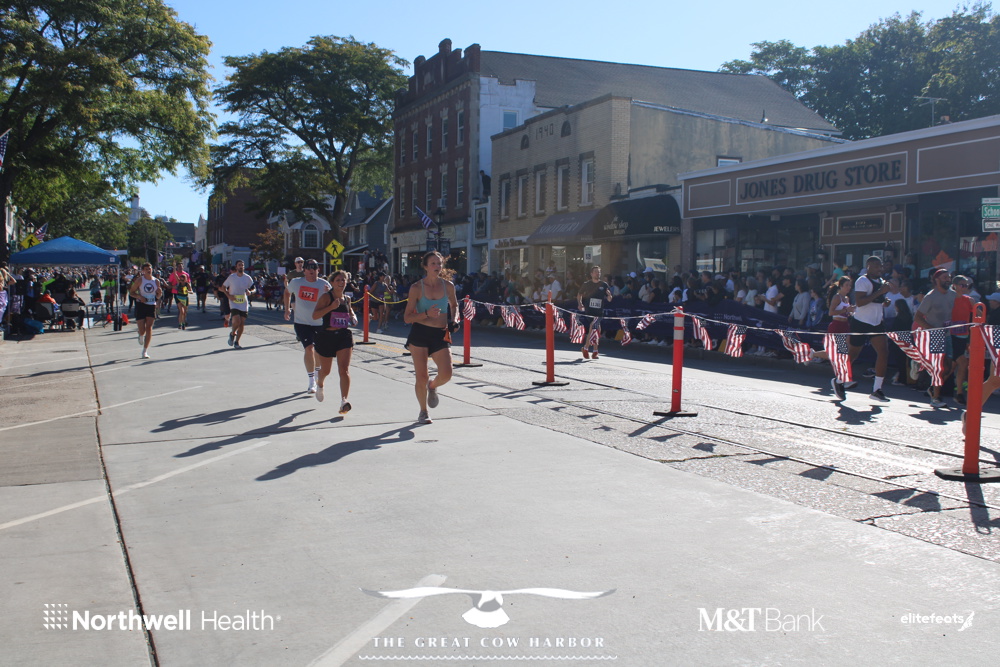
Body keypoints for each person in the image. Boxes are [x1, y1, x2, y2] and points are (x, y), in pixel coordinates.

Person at [404, 251, 459, 424]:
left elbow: (454, 305)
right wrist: (426, 313)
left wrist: (454, 319)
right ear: (426, 266)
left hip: (440, 333)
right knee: (421, 376)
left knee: (447, 373)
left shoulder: (448, 286)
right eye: (433, 263)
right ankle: (423, 411)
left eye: (439, 263)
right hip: (420, 333)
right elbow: (407, 317)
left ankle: (432, 386)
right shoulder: (416, 288)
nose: (437, 266)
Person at [831, 256, 891, 402]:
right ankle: (839, 380)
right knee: (853, 354)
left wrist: (884, 302)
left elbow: (877, 300)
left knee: (883, 352)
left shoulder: (881, 281)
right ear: (868, 266)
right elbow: (860, 302)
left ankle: (877, 390)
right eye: (876, 266)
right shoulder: (862, 281)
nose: (879, 269)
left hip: (876, 322)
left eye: (880, 266)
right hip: (861, 322)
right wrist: (880, 292)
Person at [311, 270, 357, 414]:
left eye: (343, 280)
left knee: (344, 369)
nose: (341, 282)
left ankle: (344, 401)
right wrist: (331, 307)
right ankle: (320, 383)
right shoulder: (326, 297)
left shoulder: (347, 299)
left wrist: (353, 317)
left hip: (343, 336)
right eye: (338, 280)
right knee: (326, 370)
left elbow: (350, 311)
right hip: (327, 336)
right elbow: (315, 315)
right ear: (332, 282)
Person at [284, 259, 331, 394]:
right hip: (302, 323)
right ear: (304, 270)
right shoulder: (296, 282)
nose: (311, 270)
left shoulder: (324, 284)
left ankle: (317, 373)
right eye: (309, 268)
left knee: (318, 351)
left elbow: (334, 299)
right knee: (309, 349)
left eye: (314, 268)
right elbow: (287, 292)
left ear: (318, 270)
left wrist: (329, 293)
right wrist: (287, 309)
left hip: (319, 323)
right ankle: (311, 381)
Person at [913, 268, 957, 408]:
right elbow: (918, 317)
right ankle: (936, 398)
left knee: (949, 366)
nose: (948, 280)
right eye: (945, 277)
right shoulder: (930, 297)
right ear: (937, 280)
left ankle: (933, 388)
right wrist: (932, 329)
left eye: (949, 277)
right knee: (939, 367)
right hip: (934, 335)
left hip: (948, 334)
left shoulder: (953, 294)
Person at [949, 274, 975, 406]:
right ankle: (958, 393)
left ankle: (935, 387)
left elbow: (978, 315)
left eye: (967, 285)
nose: (965, 287)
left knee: (953, 366)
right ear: (955, 286)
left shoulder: (969, 300)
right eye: (962, 285)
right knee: (961, 363)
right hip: (951, 335)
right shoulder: (949, 298)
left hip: (963, 335)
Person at [577, 265, 612, 359]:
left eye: (599, 272)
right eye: (596, 272)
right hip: (589, 311)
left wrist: (609, 295)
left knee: (596, 328)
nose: (597, 273)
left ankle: (590, 349)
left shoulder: (604, 285)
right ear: (591, 274)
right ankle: (591, 349)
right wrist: (580, 303)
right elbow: (579, 294)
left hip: (599, 311)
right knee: (594, 327)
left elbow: (609, 299)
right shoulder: (587, 284)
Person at [129, 263, 161, 359]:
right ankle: (140, 334)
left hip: (151, 305)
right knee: (142, 330)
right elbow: (131, 292)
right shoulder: (140, 280)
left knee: (149, 328)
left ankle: (145, 351)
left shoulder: (156, 281)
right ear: (143, 271)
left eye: (150, 268)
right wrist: (139, 296)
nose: (148, 270)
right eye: (146, 269)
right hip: (141, 305)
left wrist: (159, 294)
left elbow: (158, 295)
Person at [223, 260, 255, 349]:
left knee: (241, 323)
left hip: (243, 302)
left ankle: (237, 342)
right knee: (237, 321)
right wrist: (229, 296)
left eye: (242, 265)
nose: (241, 266)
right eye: (239, 265)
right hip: (234, 301)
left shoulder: (247, 278)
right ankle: (232, 333)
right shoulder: (232, 277)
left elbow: (254, 288)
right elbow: (223, 287)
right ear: (236, 267)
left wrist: (251, 292)